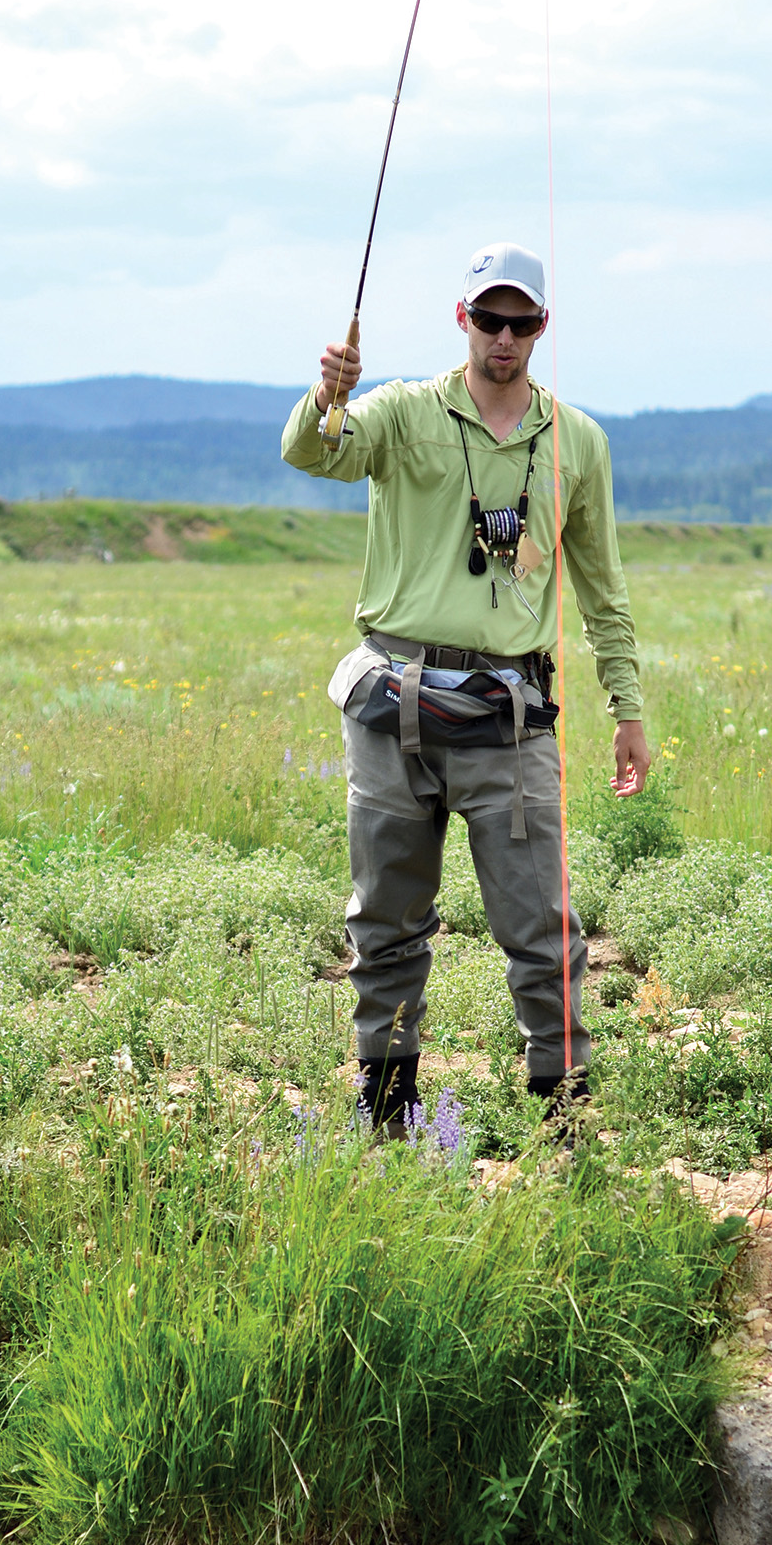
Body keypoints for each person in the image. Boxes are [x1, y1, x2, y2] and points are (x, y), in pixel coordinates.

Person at [281, 240, 649, 1133]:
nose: (505, 337)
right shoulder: (403, 412)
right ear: (463, 319)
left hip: (510, 715)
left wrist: (627, 707)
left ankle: (565, 1121)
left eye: (522, 323)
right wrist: (328, 396)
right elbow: (311, 454)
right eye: (491, 318)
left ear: (543, 329)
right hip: (392, 705)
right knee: (386, 923)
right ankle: (389, 1114)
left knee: (542, 925)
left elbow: (601, 585)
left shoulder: (578, 443)